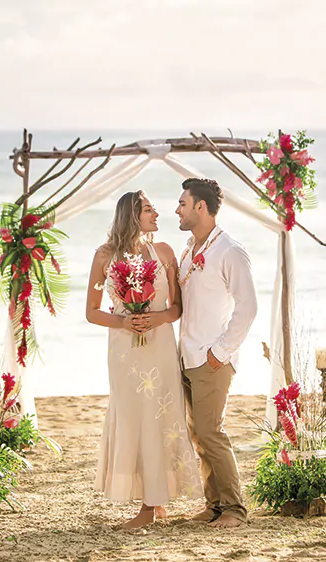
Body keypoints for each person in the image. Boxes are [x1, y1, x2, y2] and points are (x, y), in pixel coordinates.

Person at [87, 190, 202, 529]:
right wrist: (124, 321)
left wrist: (159, 318)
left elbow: (177, 308)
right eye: (150, 209)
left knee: (162, 418)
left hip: (160, 347)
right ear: (132, 214)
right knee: (134, 417)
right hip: (125, 350)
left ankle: (155, 502)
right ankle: (148, 502)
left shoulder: (165, 252)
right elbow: (92, 312)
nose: (157, 214)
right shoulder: (104, 256)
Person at [174, 177, 258, 528]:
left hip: (212, 359)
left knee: (212, 432)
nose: (176, 209)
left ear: (200, 207)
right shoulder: (188, 250)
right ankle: (215, 505)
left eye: (182, 203)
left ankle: (235, 509)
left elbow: (248, 307)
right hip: (187, 356)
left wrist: (220, 352)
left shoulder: (230, 250)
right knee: (198, 435)